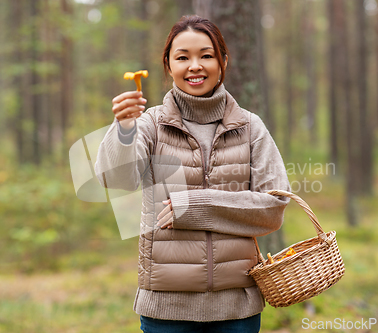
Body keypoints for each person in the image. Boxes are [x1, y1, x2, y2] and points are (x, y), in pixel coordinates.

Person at [95, 15, 290, 333]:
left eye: (207, 55)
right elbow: (115, 180)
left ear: (223, 61)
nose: (195, 66)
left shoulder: (250, 127)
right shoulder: (150, 124)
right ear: (168, 66)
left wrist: (196, 207)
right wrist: (124, 130)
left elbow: (273, 208)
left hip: (236, 311)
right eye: (182, 57)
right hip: (166, 310)